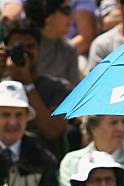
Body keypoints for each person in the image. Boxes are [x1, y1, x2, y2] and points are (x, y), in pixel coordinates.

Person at [0, 18, 73, 159]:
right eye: (18, 47)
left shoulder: (59, 88)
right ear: (6, 49)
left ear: (39, 49)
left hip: (43, 164)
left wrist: (27, 84)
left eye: (30, 46)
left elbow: (52, 131)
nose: (25, 52)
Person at [24, 0, 80, 87]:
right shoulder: (20, 43)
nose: (72, 17)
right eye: (66, 10)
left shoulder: (69, 50)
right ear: (48, 14)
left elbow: (75, 93)